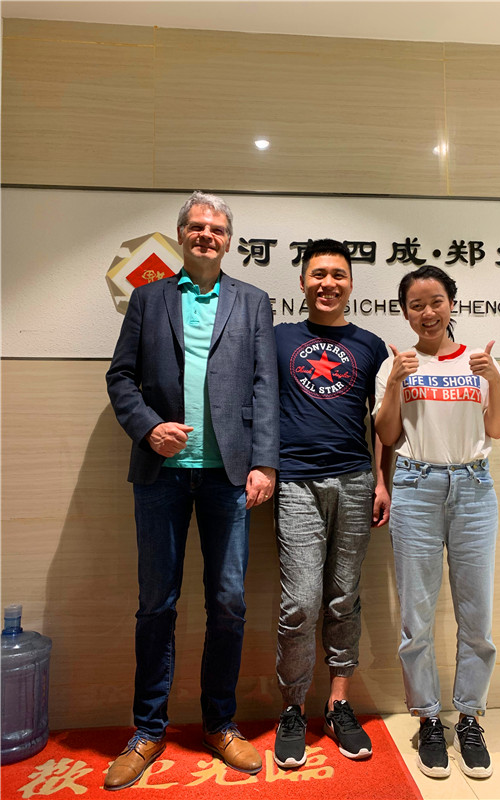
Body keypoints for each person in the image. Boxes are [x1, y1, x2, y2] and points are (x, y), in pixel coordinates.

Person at [104, 191, 279, 791]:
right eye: (197, 226)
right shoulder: (148, 299)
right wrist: (148, 428)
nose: (207, 235)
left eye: (218, 228)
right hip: (162, 476)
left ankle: (219, 723)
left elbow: (265, 385)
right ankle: (148, 730)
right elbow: (121, 376)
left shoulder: (252, 301)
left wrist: (265, 463)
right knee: (156, 603)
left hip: (230, 476)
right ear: (181, 234)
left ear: (229, 240)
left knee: (228, 602)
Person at [373, 265, 500, 780]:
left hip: (474, 488)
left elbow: (496, 428)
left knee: (477, 615)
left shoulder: (479, 361)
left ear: (452, 303)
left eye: (436, 301)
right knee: (416, 615)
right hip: (415, 486)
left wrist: (492, 378)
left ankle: (470, 717)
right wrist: (396, 382)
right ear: (405, 312)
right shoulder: (397, 364)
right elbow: (387, 434)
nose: (427, 312)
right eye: (416, 305)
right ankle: (429, 718)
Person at [272, 239, 391, 769]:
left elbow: (384, 420)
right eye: (318, 274)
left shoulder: (371, 345)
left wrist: (382, 480)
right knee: (299, 602)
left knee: (344, 597)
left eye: (338, 275)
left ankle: (338, 703)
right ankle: (292, 708)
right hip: (295, 482)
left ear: (351, 284)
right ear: (302, 282)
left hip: (356, 480)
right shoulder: (277, 339)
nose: (328, 284)